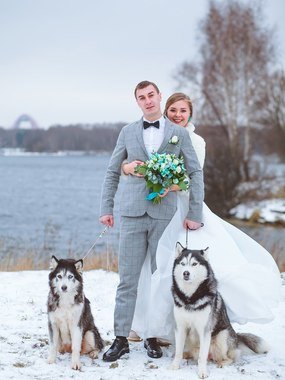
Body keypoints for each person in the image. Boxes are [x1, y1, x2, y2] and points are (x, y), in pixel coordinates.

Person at [124, 92, 281, 344]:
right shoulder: (159, 137)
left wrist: (173, 190)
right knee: (154, 265)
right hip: (159, 207)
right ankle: (146, 325)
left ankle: (189, 328)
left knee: (181, 265)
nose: (177, 115)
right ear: (166, 111)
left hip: (184, 207)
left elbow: (192, 179)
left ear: (190, 114)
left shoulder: (196, 141)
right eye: (173, 110)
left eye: (182, 111)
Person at [99, 83, 204, 361]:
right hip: (132, 214)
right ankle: (120, 339)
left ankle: (153, 337)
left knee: (161, 280)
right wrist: (105, 208)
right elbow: (112, 171)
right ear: (137, 101)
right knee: (127, 280)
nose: (147, 101)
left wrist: (195, 213)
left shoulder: (178, 134)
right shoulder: (127, 132)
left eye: (151, 96)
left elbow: (194, 173)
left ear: (159, 97)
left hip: (165, 216)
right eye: (141, 97)